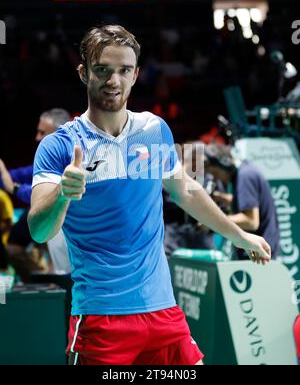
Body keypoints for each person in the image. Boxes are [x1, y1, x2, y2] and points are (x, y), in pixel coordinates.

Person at [28, 25, 271, 366]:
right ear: (84, 73)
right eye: (102, 70)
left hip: (163, 310)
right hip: (102, 318)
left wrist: (241, 235)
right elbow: (39, 230)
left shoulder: (153, 131)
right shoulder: (60, 146)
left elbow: (186, 191)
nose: (114, 80)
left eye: (123, 70)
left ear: (136, 74)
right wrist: (62, 195)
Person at [0, 108, 71, 281]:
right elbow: (11, 179)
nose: (37, 137)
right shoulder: (44, 165)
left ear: (59, 132)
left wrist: (15, 189)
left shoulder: (74, 162)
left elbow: (49, 195)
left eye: (42, 132)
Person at [204, 144, 280, 259]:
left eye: (215, 173)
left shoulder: (245, 176)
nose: (216, 179)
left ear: (224, 164)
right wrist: (221, 197)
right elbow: (248, 203)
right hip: (260, 250)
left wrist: (210, 222)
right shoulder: (246, 169)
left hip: (258, 254)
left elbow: (251, 221)